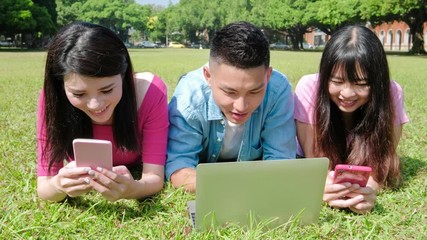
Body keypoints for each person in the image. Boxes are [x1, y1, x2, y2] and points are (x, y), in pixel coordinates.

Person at [37, 22, 169, 202]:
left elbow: (154, 179)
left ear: (123, 75)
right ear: (61, 86)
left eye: (107, 90)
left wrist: (132, 189)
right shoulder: (53, 100)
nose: (94, 105)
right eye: (79, 94)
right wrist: (59, 185)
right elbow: (44, 187)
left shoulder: (150, 93)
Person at [166, 21, 296, 193]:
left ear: (268, 76)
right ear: (208, 76)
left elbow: (281, 160)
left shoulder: (278, 89)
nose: (241, 106)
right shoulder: (189, 97)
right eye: (230, 92)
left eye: (254, 91)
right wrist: (232, 188)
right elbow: (179, 167)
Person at [294, 25, 409, 214]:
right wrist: (323, 187)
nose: (347, 94)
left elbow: (382, 160)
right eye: (337, 81)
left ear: (377, 81)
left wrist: (369, 191)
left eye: (361, 84)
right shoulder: (310, 87)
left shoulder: (391, 92)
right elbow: (315, 160)